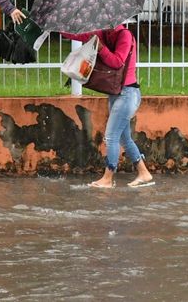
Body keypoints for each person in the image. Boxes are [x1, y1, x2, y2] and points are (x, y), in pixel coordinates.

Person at [62, 25, 153, 188]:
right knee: (125, 138)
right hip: (116, 94)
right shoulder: (103, 33)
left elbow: (117, 62)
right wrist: (57, 30)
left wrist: (102, 48)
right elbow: (81, 35)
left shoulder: (125, 35)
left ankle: (107, 178)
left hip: (128, 94)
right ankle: (144, 173)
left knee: (111, 136)